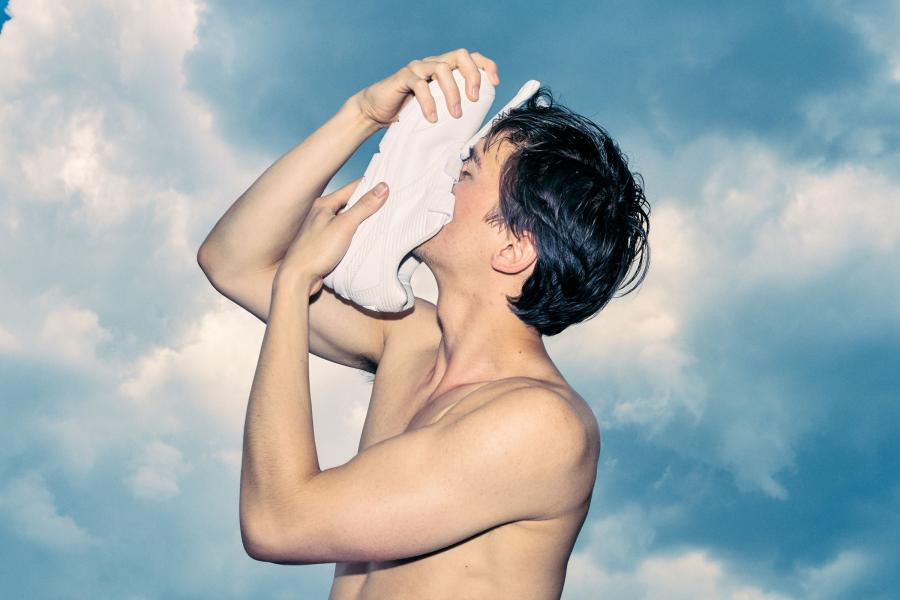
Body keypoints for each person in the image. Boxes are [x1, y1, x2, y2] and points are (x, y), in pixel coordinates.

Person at [197, 48, 650, 599]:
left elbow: (277, 522)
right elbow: (233, 260)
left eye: (465, 170)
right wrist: (362, 114)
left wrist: (297, 284)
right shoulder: (410, 340)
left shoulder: (541, 424)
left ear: (512, 247)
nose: (439, 174)